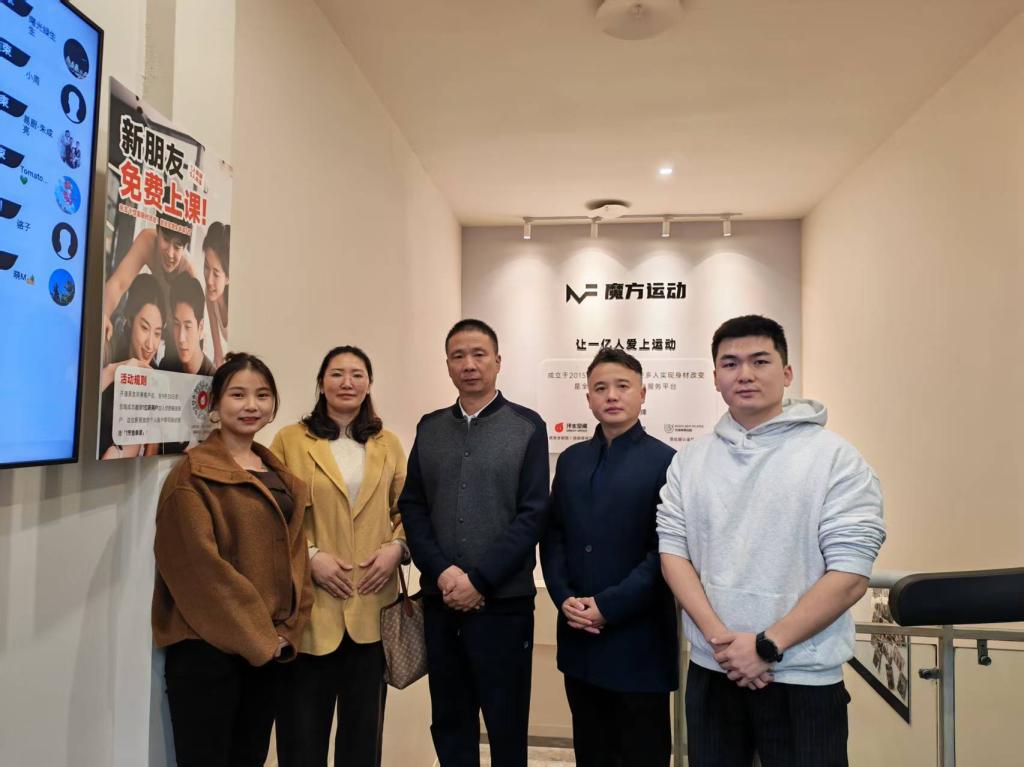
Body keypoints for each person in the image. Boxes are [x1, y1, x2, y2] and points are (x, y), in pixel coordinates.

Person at [657, 315, 886, 767]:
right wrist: (723, 643)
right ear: (715, 377)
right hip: (713, 669)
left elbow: (851, 574)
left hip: (804, 677)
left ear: (786, 372)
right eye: (730, 363)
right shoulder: (690, 460)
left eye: (760, 361)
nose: (744, 374)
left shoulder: (835, 458)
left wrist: (767, 645)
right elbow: (673, 552)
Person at [400, 319, 549, 767]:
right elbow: (413, 507)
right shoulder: (430, 428)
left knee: (506, 723)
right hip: (440, 602)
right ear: (447, 365)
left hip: (505, 606)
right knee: (449, 720)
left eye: (479, 354)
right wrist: (444, 572)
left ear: (498, 362)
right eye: (458, 356)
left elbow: (532, 514)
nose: (469, 364)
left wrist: (479, 581)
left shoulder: (527, 426)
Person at [152, 352, 313, 767]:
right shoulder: (191, 476)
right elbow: (199, 571)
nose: (251, 405)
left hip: (268, 651)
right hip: (208, 652)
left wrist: (289, 630)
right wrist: (263, 638)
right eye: (238, 395)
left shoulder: (280, 475)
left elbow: (296, 558)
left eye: (262, 395)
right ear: (214, 403)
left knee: (250, 758)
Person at [270, 345, 408, 767]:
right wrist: (310, 556)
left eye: (357, 374)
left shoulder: (388, 443)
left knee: (362, 740)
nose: (347, 382)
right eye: (336, 373)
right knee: (301, 739)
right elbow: (274, 514)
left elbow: (407, 510)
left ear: (369, 383)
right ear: (321, 382)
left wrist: (397, 549)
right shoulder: (291, 440)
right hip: (310, 612)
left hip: (372, 609)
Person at [540, 348, 678, 767]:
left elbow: (664, 552)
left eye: (622, 386)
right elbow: (554, 535)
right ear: (588, 398)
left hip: (639, 642)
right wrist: (563, 597)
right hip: (579, 636)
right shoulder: (572, 460)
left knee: (642, 754)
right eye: (600, 388)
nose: (611, 396)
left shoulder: (667, 461)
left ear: (643, 393)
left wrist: (608, 606)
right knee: (591, 751)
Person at [98, 273, 165, 459]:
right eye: (144, 328)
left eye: (157, 334)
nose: (150, 345)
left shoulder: (157, 378)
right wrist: (115, 371)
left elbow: (152, 453)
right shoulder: (108, 354)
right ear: (129, 319)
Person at [102, 222, 194, 343]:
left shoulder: (188, 271)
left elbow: (189, 330)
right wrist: (104, 314)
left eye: (177, 247)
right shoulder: (148, 241)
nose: (170, 253)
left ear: (185, 247)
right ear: (158, 231)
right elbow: (118, 283)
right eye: (166, 240)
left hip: (177, 331)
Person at [160, 272, 216, 376]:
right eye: (177, 324)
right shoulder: (165, 367)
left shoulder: (213, 379)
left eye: (188, 326)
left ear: (200, 328)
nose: (181, 338)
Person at [202, 222, 230, 368]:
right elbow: (218, 356)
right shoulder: (210, 294)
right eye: (206, 267)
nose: (209, 280)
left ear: (229, 278)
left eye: (216, 274)